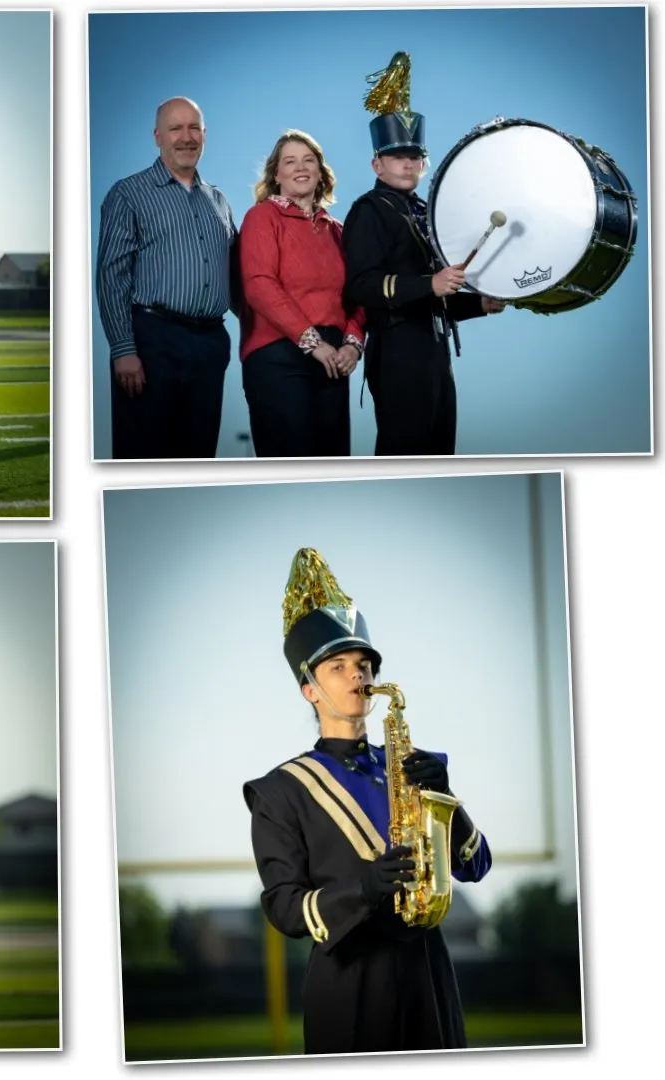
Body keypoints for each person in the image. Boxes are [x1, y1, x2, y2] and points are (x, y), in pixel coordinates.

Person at [243, 549, 491, 1055]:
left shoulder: (413, 765)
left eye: (363, 664)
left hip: (429, 974)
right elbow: (284, 907)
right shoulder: (280, 789)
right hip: (350, 982)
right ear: (309, 689)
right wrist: (365, 888)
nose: (358, 675)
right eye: (338, 667)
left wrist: (447, 798)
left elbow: (477, 865)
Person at [341, 53, 505, 456]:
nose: (408, 163)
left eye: (415, 156)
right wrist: (430, 283)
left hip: (435, 349)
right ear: (376, 163)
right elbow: (362, 286)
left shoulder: (426, 212)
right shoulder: (369, 209)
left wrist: (478, 303)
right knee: (405, 451)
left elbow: (437, 294)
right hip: (397, 349)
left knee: (440, 450)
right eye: (398, 156)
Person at [96, 96, 238, 459]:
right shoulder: (129, 193)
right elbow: (112, 276)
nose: (186, 137)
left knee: (199, 454)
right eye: (176, 128)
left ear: (205, 135)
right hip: (153, 342)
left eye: (194, 128)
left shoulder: (219, 200)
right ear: (158, 136)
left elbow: (236, 276)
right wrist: (123, 349)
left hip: (210, 343)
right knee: (145, 453)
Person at [239, 130, 365, 457]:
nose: (301, 167)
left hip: (332, 361)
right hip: (277, 356)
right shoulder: (262, 217)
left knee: (333, 466)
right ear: (276, 174)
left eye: (309, 160)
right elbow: (259, 285)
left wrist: (352, 344)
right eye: (290, 161)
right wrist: (312, 342)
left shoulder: (338, 231)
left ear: (321, 172)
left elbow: (359, 294)